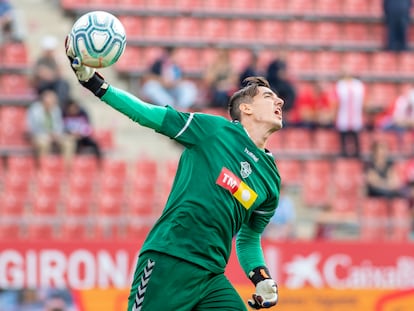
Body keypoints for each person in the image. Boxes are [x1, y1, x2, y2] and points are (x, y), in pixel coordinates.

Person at [66, 37, 283, 310]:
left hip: (211, 276)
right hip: (168, 258)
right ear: (246, 109)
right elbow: (147, 114)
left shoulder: (271, 180)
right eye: (269, 96)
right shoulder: (213, 131)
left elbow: (249, 238)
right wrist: (97, 85)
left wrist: (261, 277)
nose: (280, 101)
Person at [140, 46, 198, 110]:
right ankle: (170, 108)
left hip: (175, 89)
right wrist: (161, 80)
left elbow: (183, 79)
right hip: (162, 89)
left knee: (189, 87)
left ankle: (181, 108)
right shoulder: (158, 63)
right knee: (150, 87)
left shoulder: (178, 65)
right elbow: (149, 76)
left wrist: (174, 82)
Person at [26, 88, 70, 160]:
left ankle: (66, 168)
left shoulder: (56, 109)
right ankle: (45, 167)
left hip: (54, 135)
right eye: (51, 100)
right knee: (44, 143)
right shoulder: (35, 109)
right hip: (39, 135)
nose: (53, 102)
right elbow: (32, 127)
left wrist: (56, 134)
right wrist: (47, 135)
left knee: (68, 143)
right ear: (44, 100)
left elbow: (59, 125)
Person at [334, 66, 366, 158]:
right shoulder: (341, 85)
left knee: (355, 135)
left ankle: (356, 151)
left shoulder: (357, 85)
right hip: (344, 115)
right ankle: (344, 151)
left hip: (354, 115)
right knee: (344, 135)